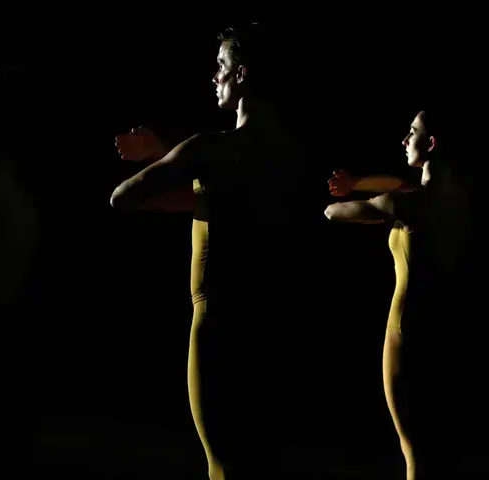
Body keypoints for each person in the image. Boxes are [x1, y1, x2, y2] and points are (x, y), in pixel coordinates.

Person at [110, 24, 312, 479]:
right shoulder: (290, 155)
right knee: (263, 459)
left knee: (222, 461)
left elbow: (122, 197)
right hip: (275, 326)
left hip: (219, 326)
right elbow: (226, 200)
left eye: (221, 66)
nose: (214, 76)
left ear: (241, 74)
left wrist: (164, 156)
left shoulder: (211, 150)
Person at [324, 105, 489, 479]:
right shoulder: (461, 198)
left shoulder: (409, 204)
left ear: (431, 143)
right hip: (453, 333)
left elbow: (333, 213)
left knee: (415, 452)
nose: (404, 140)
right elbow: (397, 183)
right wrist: (358, 183)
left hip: (408, 334)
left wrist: (364, 200)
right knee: (444, 451)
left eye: (412, 132)